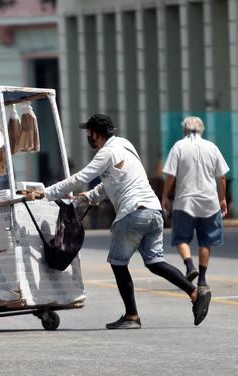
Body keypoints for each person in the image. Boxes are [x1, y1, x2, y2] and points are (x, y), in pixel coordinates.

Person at [44, 114, 211, 329]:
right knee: (155, 262)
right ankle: (195, 293)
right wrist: (88, 198)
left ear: (95, 133)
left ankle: (132, 316)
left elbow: (80, 178)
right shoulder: (125, 145)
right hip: (153, 211)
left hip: (133, 212)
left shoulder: (107, 152)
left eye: (89, 133)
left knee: (118, 263)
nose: (88, 137)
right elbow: (114, 181)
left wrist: (45, 193)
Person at [161, 116, 230, 289]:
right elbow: (221, 176)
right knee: (205, 241)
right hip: (209, 202)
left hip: (185, 201)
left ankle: (189, 265)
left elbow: (171, 175)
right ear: (202, 130)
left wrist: (164, 196)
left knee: (181, 239)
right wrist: (222, 198)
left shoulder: (178, 146)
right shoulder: (211, 147)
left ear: (184, 129)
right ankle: (202, 280)